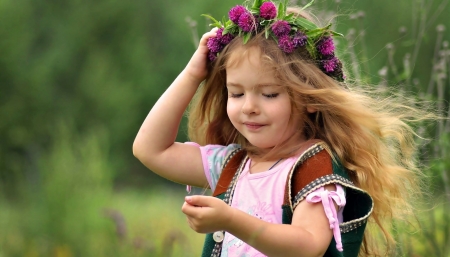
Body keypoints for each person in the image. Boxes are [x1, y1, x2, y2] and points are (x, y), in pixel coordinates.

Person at [133, 0, 428, 256]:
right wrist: (193, 73)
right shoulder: (232, 164)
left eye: (269, 94)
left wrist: (231, 220)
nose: (249, 106)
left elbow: (308, 245)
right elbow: (150, 150)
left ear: (308, 97)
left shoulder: (312, 167)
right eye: (236, 93)